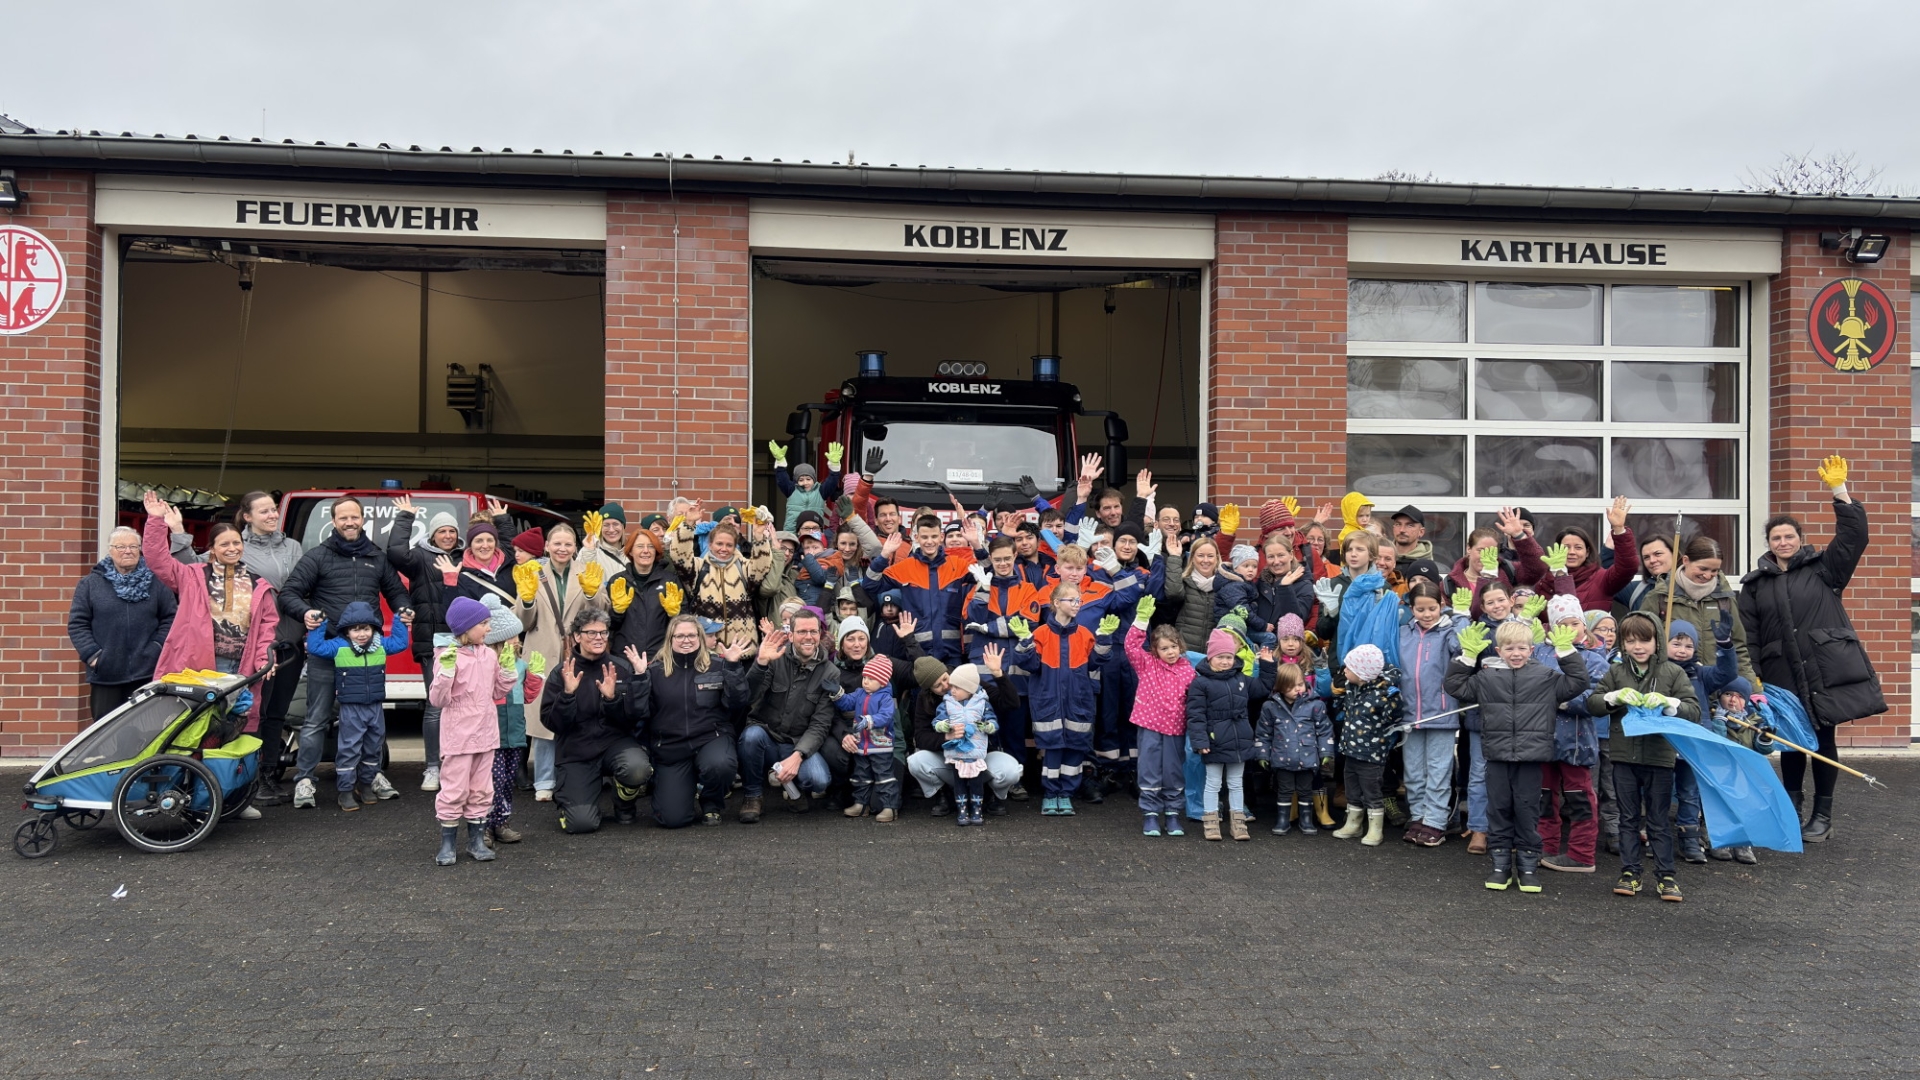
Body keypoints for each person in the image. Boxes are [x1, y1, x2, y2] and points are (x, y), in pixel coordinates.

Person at [1740, 455, 1881, 844]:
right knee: (1791, 742)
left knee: (1823, 740)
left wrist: (1840, 491)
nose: (1783, 542)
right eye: (1776, 538)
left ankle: (1822, 815)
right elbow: (1748, 634)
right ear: (1767, 544)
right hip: (1780, 672)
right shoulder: (1754, 585)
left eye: (1789, 536)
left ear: (1799, 539)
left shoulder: (1825, 568)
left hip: (1823, 669)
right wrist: (1753, 676)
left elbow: (1855, 538)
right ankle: (1791, 811)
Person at [141, 493, 282, 811]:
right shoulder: (192, 576)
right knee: (195, 733)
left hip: (240, 669)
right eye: (224, 545)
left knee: (234, 733)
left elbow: (266, 631)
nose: (232, 549)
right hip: (200, 667)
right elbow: (156, 559)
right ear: (213, 549)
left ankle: (235, 799)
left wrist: (263, 660)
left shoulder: (259, 583)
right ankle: (187, 796)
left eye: (236, 544)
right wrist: (155, 520)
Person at [166, 489, 304, 804]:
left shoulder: (292, 547)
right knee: (250, 713)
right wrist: (178, 532)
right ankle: (236, 782)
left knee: (276, 716)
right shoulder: (233, 547)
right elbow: (192, 570)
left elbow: (305, 587)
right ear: (247, 516)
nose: (272, 515)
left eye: (273, 510)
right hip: (252, 648)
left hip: (288, 644)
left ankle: (267, 776)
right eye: (265, 511)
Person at [279, 496, 413, 810]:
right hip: (329, 650)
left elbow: (395, 591)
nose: (349, 522)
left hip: (366, 656)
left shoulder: (376, 558)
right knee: (316, 719)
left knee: (372, 720)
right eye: (343, 518)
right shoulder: (318, 557)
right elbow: (289, 593)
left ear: (362, 519)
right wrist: (307, 612)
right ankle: (305, 780)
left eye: (354, 517)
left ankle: (372, 776)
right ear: (334, 521)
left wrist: (404, 608)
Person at [1447, 617, 1592, 894]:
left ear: (1532, 648)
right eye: (1510, 648)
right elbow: (1455, 687)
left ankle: (1527, 866)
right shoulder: (1487, 677)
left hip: (1531, 758)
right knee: (1498, 810)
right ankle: (1500, 865)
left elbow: (1578, 682)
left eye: (1522, 648)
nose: (1516, 653)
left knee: (1527, 811)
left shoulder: (1547, 678)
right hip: (1497, 756)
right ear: (1499, 651)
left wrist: (1567, 652)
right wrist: (1466, 657)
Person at [1588, 612, 1700, 902]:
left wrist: (1669, 703)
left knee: (1658, 819)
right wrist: (1614, 697)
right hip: (1623, 757)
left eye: (1645, 640)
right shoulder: (1616, 672)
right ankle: (1630, 872)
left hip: (1660, 758)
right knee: (1627, 817)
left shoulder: (1673, 673)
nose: (1638, 646)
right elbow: (1594, 703)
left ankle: (1666, 877)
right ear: (1623, 644)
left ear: (1657, 642)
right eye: (1630, 641)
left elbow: (1693, 710)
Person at [628, 614, 752, 828]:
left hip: (710, 738)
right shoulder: (654, 670)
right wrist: (639, 678)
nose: (686, 640)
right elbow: (637, 712)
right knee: (672, 819)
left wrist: (733, 667)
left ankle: (711, 804)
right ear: (670, 639)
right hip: (671, 747)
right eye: (680, 636)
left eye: (692, 635)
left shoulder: (717, 665)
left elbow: (738, 702)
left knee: (720, 765)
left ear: (701, 637)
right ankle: (681, 786)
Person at [1010, 582, 1117, 816]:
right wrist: (1025, 643)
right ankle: (1050, 794)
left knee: (1075, 750)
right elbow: (1029, 664)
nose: (1077, 604)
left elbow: (1096, 663)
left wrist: (1105, 640)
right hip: (1048, 701)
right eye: (1072, 600)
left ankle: (1066, 794)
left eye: (1079, 600)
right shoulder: (1041, 634)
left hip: (1079, 701)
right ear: (1056, 603)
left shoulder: (1085, 634)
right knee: (1053, 749)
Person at [385, 496, 468, 794]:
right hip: (433, 643)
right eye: (442, 531)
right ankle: (432, 767)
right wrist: (405, 517)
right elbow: (394, 552)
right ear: (432, 534)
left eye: (452, 531)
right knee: (435, 707)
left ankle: (457, 765)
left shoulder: (464, 557)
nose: (448, 536)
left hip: (464, 643)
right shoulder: (419, 557)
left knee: (463, 706)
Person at [547, 608, 652, 834]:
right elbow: (552, 724)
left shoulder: (621, 668)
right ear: (577, 636)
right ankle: (572, 801)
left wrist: (612, 699)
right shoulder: (562, 672)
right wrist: (567, 695)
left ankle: (623, 801)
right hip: (576, 750)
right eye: (592, 633)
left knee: (637, 768)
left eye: (603, 633)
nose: (599, 638)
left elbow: (635, 717)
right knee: (582, 824)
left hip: (614, 743)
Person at [427, 596, 515, 866]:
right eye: (484, 623)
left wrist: (508, 673)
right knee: (454, 789)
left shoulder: (488, 654)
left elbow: (496, 693)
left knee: (481, 789)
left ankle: (476, 842)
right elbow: (438, 700)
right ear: (466, 628)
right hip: (459, 737)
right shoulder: (447, 655)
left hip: (486, 735)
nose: (489, 629)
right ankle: (447, 844)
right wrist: (445, 673)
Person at [305, 601, 410, 812]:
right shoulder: (339, 646)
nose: (361, 634)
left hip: (375, 707)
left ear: (373, 629)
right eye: (355, 629)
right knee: (349, 750)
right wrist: (320, 623)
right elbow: (315, 647)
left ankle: (365, 785)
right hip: (351, 708)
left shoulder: (380, 645)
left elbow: (400, 643)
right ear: (346, 631)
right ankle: (345, 790)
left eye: (366, 628)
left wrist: (399, 619)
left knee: (373, 748)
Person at [738, 610, 841, 822]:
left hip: (797, 741)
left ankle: (794, 789)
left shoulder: (830, 671)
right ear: (791, 635)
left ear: (820, 635)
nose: (809, 637)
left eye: (813, 631)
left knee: (818, 780)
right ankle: (753, 796)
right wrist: (761, 664)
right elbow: (747, 697)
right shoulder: (775, 657)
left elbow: (820, 723)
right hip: (766, 735)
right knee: (750, 737)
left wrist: (798, 756)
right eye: (802, 631)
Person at [69, 526, 177, 721]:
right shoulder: (90, 584)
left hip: (147, 672)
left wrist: (157, 647)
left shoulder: (157, 582)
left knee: (147, 728)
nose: (128, 551)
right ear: (110, 551)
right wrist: (94, 656)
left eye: (133, 546)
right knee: (105, 729)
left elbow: (171, 618)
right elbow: (77, 624)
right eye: (120, 546)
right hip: (106, 674)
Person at [1536, 596, 1610, 874]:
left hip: (1577, 742)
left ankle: (1581, 854)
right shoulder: (1541, 653)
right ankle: (1545, 846)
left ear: (1584, 625)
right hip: (1543, 739)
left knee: (1580, 799)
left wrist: (1562, 700)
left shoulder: (1594, 659)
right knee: (1544, 797)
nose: (1569, 629)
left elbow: (1595, 698)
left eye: (1574, 623)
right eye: (1562, 624)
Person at [1186, 628, 1272, 842]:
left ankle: (1238, 823)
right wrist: (1200, 740)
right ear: (1210, 657)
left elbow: (1263, 688)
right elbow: (1195, 715)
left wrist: (1268, 666)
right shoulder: (1200, 683)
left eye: (1229, 657)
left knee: (1235, 783)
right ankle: (1211, 821)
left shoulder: (1241, 678)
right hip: (1215, 741)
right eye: (1220, 657)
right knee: (1213, 783)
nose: (1225, 662)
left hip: (1239, 739)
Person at [1396, 580, 1462, 846]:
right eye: (1420, 609)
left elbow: (1462, 648)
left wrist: (1461, 618)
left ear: (1441, 606)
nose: (1426, 614)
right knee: (1413, 771)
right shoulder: (1403, 633)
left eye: (1432, 608)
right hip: (1410, 714)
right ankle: (1418, 816)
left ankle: (1435, 821)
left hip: (1441, 715)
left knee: (1438, 771)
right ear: (1411, 609)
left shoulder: (1449, 632)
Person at [1123, 596, 1193, 837]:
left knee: (1173, 770)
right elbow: (1131, 647)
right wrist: (1141, 621)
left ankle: (1173, 814)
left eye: (1173, 646)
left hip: (1175, 728)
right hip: (1150, 725)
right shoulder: (1147, 664)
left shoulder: (1188, 669)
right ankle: (1151, 814)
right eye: (1164, 648)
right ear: (1155, 650)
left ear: (1180, 646)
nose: (1170, 652)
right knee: (1149, 768)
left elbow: (1194, 699)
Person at [670, 502, 774, 647]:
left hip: (742, 650)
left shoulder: (743, 567)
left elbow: (762, 565)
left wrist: (759, 536)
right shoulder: (699, 567)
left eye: (729, 545)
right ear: (710, 544)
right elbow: (679, 555)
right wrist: (688, 524)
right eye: (719, 544)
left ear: (735, 546)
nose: (724, 549)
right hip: (707, 651)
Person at [1330, 643, 1400, 847]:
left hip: (1371, 753)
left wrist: (1393, 702)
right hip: (1350, 749)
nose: (1344, 671)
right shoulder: (1352, 688)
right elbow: (1341, 708)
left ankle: (1375, 828)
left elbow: (1393, 718)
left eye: (1348, 668)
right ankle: (1354, 823)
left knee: (1371, 790)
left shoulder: (1384, 694)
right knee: (1352, 787)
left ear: (1362, 673)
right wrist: (1337, 697)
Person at [1255, 663, 1334, 836]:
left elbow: (1324, 731)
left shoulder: (1315, 705)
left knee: (1306, 790)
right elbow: (1263, 733)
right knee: (1284, 790)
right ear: (1280, 687)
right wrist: (1262, 754)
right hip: (1282, 758)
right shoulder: (1270, 706)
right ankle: (1283, 819)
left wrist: (1326, 752)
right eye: (1291, 686)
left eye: (1299, 684)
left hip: (1308, 757)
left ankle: (1306, 820)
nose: (1297, 689)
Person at [835, 655, 899, 821]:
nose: (866, 681)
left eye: (871, 678)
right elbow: (846, 703)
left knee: (884, 776)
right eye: (864, 677)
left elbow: (886, 716)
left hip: (880, 745)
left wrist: (869, 721)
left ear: (883, 681)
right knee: (861, 775)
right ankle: (861, 804)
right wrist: (836, 693)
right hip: (862, 744)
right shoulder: (859, 693)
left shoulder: (885, 698)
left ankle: (889, 806)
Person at [933, 663, 996, 826]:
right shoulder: (946, 703)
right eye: (951, 686)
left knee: (976, 783)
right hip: (956, 753)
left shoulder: (982, 703)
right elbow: (937, 721)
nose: (951, 690)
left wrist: (988, 726)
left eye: (957, 687)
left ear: (970, 689)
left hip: (975, 752)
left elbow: (992, 721)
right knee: (959, 783)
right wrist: (944, 726)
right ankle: (962, 809)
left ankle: (976, 808)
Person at [1548, 496, 1638, 609]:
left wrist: (1619, 529)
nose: (1571, 552)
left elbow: (1628, 567)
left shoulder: (1602, 579)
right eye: (1566, 547)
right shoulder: (1546, 581)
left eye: (1578, 547)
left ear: (1587, 552)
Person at [770, 439, 844, 532]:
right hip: (792, 533)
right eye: (801, 480)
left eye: (808, 479)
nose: (805, 482)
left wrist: (834, 466)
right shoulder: (792, 489)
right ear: (796, 481)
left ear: (814, 479)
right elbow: (782, 479)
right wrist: (780, 462)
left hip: (814, 532)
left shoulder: (821, 491)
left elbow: (832, 481)